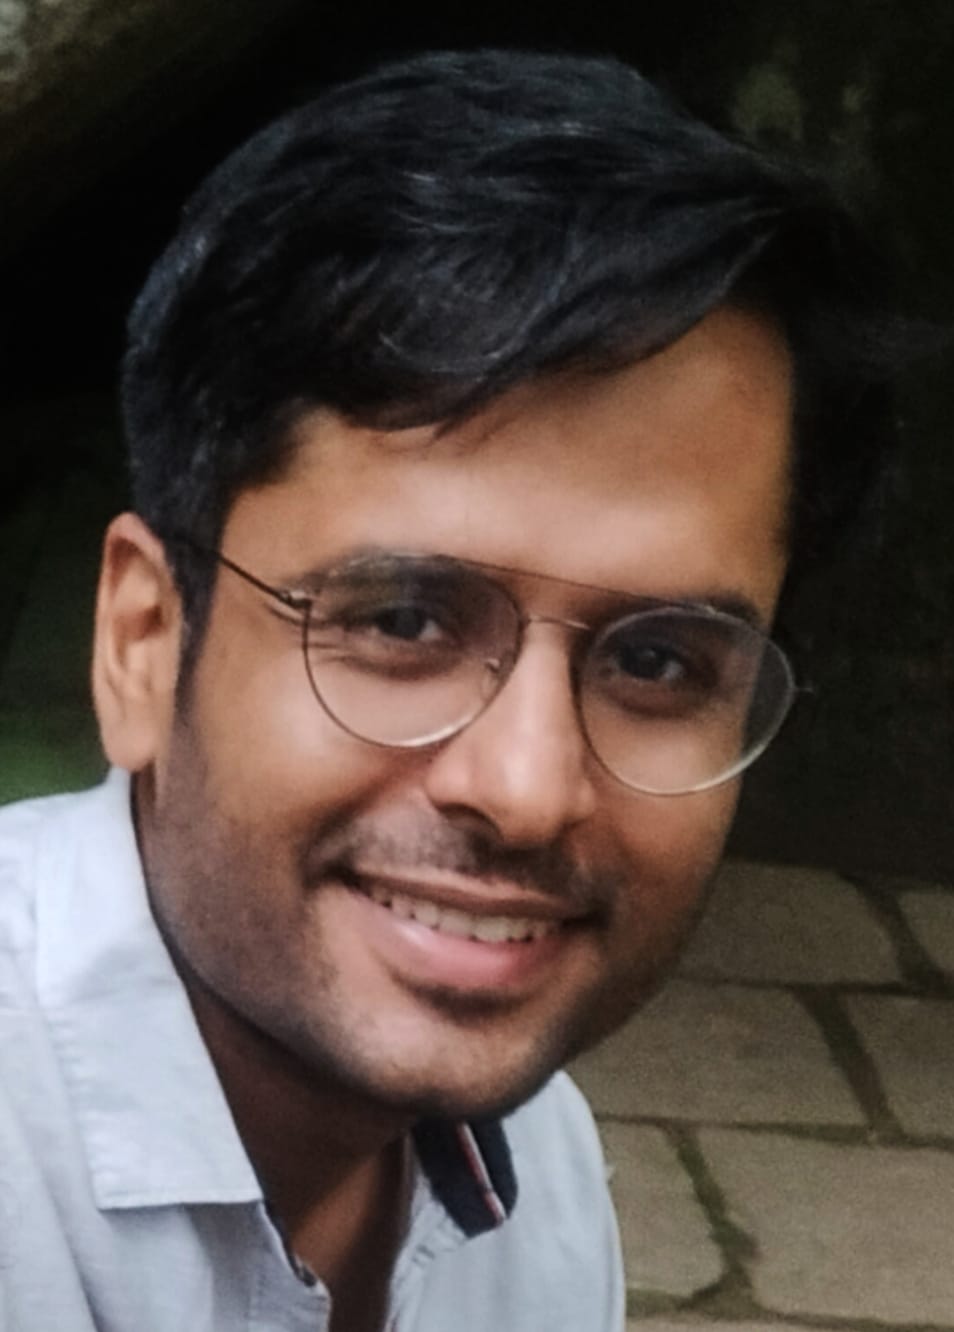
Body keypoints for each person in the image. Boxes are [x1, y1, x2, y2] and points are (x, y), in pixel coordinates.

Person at [0, 47, 899, 1332]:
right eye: (403, 622)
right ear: (144, 641)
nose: (527, 790)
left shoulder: (544, 1181)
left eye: (656, 661)